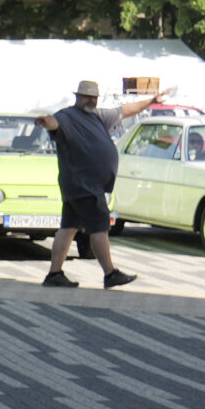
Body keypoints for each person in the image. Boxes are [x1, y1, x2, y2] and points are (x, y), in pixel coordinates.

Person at [38, 79, 162, 288]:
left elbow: (124, 110)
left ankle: (54, 274)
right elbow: (54, 122)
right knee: (99, 228)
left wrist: (151, 101)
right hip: (85, 185)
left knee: (68, 228)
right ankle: (110, 274)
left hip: (80, 185)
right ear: (78, 97)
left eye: (94, 97)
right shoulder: (67, 116)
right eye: (87, 97)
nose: (91, 100)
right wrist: (45, 121)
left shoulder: (98, 116)